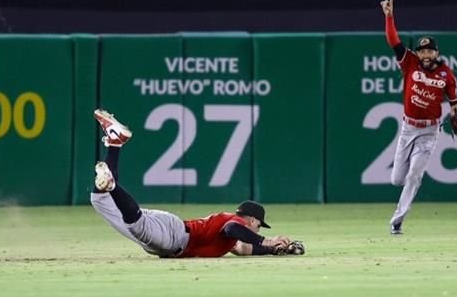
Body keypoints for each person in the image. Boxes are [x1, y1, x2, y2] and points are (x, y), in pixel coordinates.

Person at [89, 109, 304, 258]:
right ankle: (113, 186)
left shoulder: (230, 237)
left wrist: (275, 249)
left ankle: (115, 143)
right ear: (251, 219)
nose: (257, 230)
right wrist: (265, 240)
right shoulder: (233, 221)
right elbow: (233, 230)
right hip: (175, 237)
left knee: (99, 199)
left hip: (172, 233)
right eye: (258, 225)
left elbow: (242, 248)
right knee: (136, 223)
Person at [380, 0, 457, 235]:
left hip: (429, 131)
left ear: (436, 53)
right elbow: (393, 40)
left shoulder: (447, 74)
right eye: (422, 51)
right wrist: (389, 17)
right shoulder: (410, 63)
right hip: (407, 129)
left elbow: (455, 103)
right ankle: (399, 213)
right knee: (397, 179)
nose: (425, 55)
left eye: (429, 51)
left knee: (414, 175)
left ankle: (397, 221)